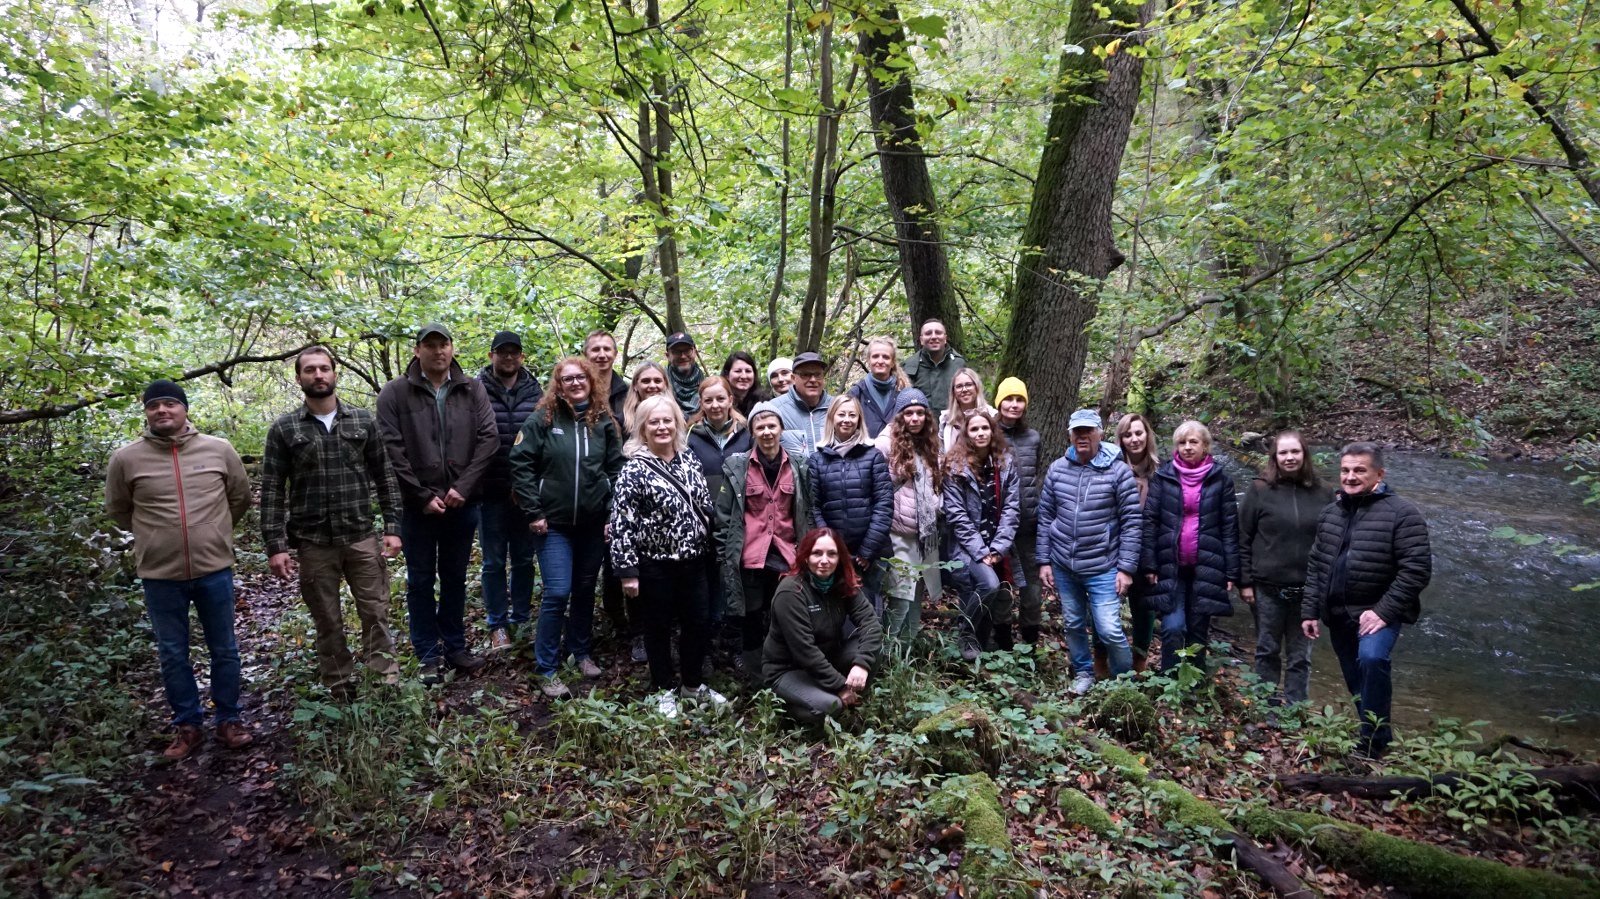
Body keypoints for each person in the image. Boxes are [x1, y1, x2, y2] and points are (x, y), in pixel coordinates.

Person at [106, 380, 253, 759]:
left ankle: (229, 720)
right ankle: (187, 725)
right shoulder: (127, 458)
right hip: (159, 574)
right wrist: (154, 537)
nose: (163, 410)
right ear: (146, 413)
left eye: (171, 403)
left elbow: (240, 498)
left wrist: (214, 532)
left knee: (224, 648)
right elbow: (120, 510)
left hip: (213, 568)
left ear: (185, 409)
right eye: (155, 405)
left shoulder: (218, 450)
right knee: (172, 652)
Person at [261, 348, 404, 700]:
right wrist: (276, 546)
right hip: (313, 541)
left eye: (325, 368)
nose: (319, 375)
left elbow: (385, 477)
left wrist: (393, 526)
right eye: (310, 370)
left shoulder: (362, 421)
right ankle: (339, 685)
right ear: (299, 378)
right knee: (327, 618)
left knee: (375, 611)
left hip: (360, 535)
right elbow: (273, 490)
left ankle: (384, 680)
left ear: (335, 374)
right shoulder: (285, 428)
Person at [376, 322, 497, 681]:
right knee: (420, 580)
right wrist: (422, 494)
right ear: (417, 351)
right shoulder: (395, 393)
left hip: (462, 504)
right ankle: (428, 654)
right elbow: (390, 449)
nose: (438, 351)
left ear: (452, 348)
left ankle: (456, 647)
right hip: (417, 508)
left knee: (455, 578)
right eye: (430, 345)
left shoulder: (471, 389)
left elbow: (488, 439)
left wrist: (463, 486)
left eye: (443, 344)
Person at [1301, 443, 1431, 757]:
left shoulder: (1403, 513)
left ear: (1379, 474)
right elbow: (1317, 563)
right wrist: (1310, 609)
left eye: (1359, 470)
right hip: (1338, 612)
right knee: (1354, 678)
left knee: (1372, 660)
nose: (1350, 476)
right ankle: (1377, 735)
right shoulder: (1331, 513)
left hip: (1378, 611)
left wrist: (1383, 612)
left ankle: (1372, 742)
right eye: (1345, 470)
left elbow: (1417, 569)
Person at [510, 357, 625, 699]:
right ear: (557, 385)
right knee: (558, 591)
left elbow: (616, 468)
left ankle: (580, 652)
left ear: (591, 381)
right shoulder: (542, 419)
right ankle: (546, 667)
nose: (575, 383)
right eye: (567, 379)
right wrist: (534, 510)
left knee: (586, 589)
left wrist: (610, 513)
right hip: (552, 524)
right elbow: (520, 464)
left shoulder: (603, 421)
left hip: (592, 523)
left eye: (580, 378)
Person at [609, 395, 729, 719]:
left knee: (698, 623)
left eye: (667, 420)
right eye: (654, 422)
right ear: (643, 428)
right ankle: (664, 688)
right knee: (658, 628)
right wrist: (627, 571)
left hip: (694, 561)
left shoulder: (688, 458)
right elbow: (622, 522)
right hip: (654, 565)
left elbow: (704, 504)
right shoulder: (634, 468)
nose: (661, 427)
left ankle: (692, 684)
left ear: (676, 423)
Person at [1038, 409, 1142, 695]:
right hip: (1063, 564)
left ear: (1100, 434)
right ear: (1070, 435)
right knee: (1072, 622)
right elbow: (1046, 515)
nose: (1082, 436)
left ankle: (1125, 684)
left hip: (1103, 565)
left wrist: (1126, 568)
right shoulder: (1058, 468)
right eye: (1077, 431)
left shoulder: (1118, 471)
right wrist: (1044, 560)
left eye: (1088, 431)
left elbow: (1132, 522)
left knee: (1108, 628)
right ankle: (1083, 673)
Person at [717, 401, 812, 678]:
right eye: (761, 426)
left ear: (781, 429)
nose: (767, 432)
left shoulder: (798, 466)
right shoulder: (737, 466)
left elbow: (806, 512)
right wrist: (724, 553)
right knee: (750, 615)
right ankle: (755, 675)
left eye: (772, 426)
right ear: (753, 431)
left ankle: (783, 670)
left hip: (786, 555)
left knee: (783, 614)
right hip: (750, 555)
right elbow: (724, 515)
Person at [1239, 430, 1333, 706]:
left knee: (1300, 656)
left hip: (1308, 590)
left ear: (1304, 455)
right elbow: (1242, 537)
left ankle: (1296, 712)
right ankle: (1264, 708)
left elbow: (1332, 542)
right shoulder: (1260, 490)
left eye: (1295, 452)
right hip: (1266, 587)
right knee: (1266, 650)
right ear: (1275, 457)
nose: (1289, 457)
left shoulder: (1325, 492)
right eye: (1283, 453)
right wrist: (1244, 581)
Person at [1142, 420, 1239, 674]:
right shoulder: (1163, 477)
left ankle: (1194, 684)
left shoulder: (1221, 480)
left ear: (1205, 446)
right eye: (1182, 442)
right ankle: (1168, 680)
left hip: (1206, 565)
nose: (1187, 447)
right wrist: (1149, 563)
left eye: (1193, 442)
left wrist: (1231, 571)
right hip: (1169, 565)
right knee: (1173, 626)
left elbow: (1229, 527)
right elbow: (1150, 521)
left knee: (1198, 630)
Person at [763, 528, 883, 725]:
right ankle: (787, 709)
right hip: (788, 670)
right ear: (805, 557)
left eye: (832, 554)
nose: (824, 560)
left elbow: (871, 623)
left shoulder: (842, 582)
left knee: (871, 651)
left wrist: (862, 663)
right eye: (817, 553)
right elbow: (805, 651)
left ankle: (853, 702)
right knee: (831, 705)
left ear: (840, 557)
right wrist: (840, 686)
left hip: (827, 659)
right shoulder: (791, 591)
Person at [476, 330, 544, 652]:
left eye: (513, 352)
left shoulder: (536, 391)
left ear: (521, 357)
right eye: (501, 352)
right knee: (492, 563)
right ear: (491, 356)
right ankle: (497, 625)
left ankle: (521, 620)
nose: (508, 357)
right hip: (488, 490)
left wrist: (534, 485)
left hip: (525, 493)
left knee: (523, 560)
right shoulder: (476, 390)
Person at [943, 409, 1025, 661]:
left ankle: (978, 651)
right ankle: (966, 633)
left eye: (984, 428)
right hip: (966, 546)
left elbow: (1012, 508)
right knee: (988, 584)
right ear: (966, 434)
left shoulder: (1005, 463)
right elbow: (957, 515)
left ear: (992, 431)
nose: (980, 433)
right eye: (974, 429)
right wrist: (982, 551)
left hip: (996, 545)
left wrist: (998, 547)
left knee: (992, 593)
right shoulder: (954, 467)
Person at [687, 376, 753, 666]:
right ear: (701, 403)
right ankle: (707, 649)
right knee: (706, 587)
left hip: (740, 523)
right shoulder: (690, 436)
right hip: (703, 523)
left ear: (730, 400)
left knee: (736, 584)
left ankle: (737, 647)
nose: (715, 405)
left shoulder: (747, 434)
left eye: (720, 399)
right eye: (708, 400)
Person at [872, 389, 943, 652]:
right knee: (900, 598)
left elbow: (937, 483)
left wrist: (938, 503)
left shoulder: (930, 444)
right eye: (909, 413)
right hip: (897, 534)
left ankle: (904, 660)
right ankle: (883, 657)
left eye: (920, 413)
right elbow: (875, 487)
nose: (915, 418)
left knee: (915, 600)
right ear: (900, 416)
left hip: (924, 535)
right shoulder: (884, 444)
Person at [807, 395, 893, 609]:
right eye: (841, 414)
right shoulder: (817, 460)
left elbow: (883, 505)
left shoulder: (873, 456)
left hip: (870, 554)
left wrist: (867, 551)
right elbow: (814, 506)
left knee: (870, 611)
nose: (846, 419)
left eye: (852, 415)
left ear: (859, 420)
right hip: (834, 553)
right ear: (831, 418)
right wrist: (830, 548)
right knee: (837, 610)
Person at [994, 377, 1043, 645]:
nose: (1014, 405)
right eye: (1009, 399)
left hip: (1029, 525)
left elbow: (1034, 474)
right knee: (1003, 588)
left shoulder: (1033, 437)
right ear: (999, 402)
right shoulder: (989, 434)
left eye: (1019, 400)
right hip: (998, 526)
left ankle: (1031, 645)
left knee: (1032, 590)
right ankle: (1003, 644)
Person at [1110, 413, 1160, 672]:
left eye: (1138, 433)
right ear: (1120, 439)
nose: (1134, 439)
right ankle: (1104, 661)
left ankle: (1139, 661)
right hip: (1113, 550)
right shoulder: (1111, 468)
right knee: (1106, 606)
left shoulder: (1160, 472)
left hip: (1148, 553)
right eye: (1128, 435)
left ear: (1147, 435)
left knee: (1144, 609)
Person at [771, 351, 834, 456]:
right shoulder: (775, 410)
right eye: (806, 375)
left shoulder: (837, 407)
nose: (813, 380)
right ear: (793, 379)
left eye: (817, 374)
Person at [846, 336, 908, 439]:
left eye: (886, 357)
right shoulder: (856, 394)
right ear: (868, 361)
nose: (880, 361)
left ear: (892, 362)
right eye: (875, 356)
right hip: (866, 453)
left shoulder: (904, 393)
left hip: (899, 453)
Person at [903, 318, 967, 416]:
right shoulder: (909, 366)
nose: (933, 337)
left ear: (945, 338)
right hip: (922, 427)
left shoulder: (959, 364)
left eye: (938, 333)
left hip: (954, 425)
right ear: (921, 340)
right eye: (928, 333)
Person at [584, 329, 630, 430]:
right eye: (595, 350)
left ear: (615, 354)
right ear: (585, 354)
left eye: (607, 349)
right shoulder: (576, 392)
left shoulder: (629, 393)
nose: (602, 355)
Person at [939, 368, 994, 451]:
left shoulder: (992, 415)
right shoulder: (946, 420)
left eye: (968, 384)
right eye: (959, 386)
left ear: (977, 387)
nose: (964, 390)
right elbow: (941, 451)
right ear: (953, 391)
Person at [621, 361, 669, 435]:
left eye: (657, 381)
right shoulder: (622, 420)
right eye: (646, 381)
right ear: (635, 385)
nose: (652, 386)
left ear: (665, 384)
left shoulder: (679, 419)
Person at [665, 331, 706, 416]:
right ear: (668, 356)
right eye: (676, 352)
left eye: (687, 351)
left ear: (695, 352)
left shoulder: (706, 384)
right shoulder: (661, 383)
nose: (683, 356)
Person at [721, 350, 769, 418]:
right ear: (727, 375)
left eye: (748, 371)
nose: (744, 376)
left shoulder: (764, 401)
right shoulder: (719, 402)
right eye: (738, 371)